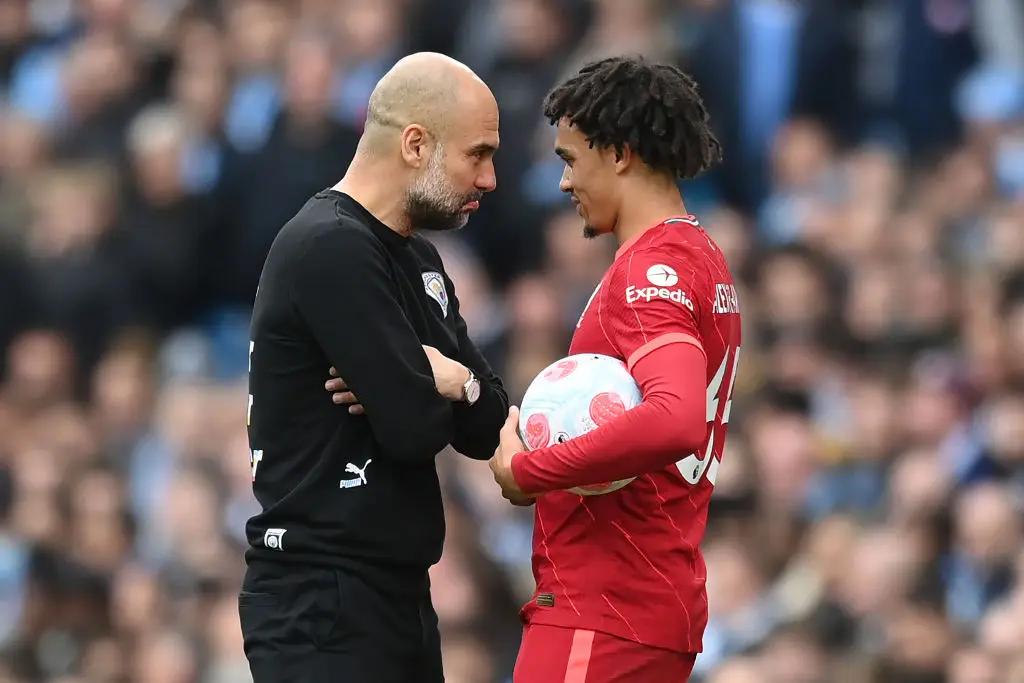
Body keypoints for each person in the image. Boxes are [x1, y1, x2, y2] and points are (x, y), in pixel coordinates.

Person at [240, 52, 509, 683]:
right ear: (416, 144)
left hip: (397, 594)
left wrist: (451, 380)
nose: (490, 178)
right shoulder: (329, 245)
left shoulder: (419, 260)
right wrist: (431, 385)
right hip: (322, 600)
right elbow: (415, 427)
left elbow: (487, 423)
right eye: (477, 154)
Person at [488, 55, 740, 682]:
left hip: (605, 608)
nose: (564, 183)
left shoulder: (650, 270)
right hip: (639, 602)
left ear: (620, 154)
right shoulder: (697, 255)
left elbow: (674, 418)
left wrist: (529, 471)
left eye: (571, 160)